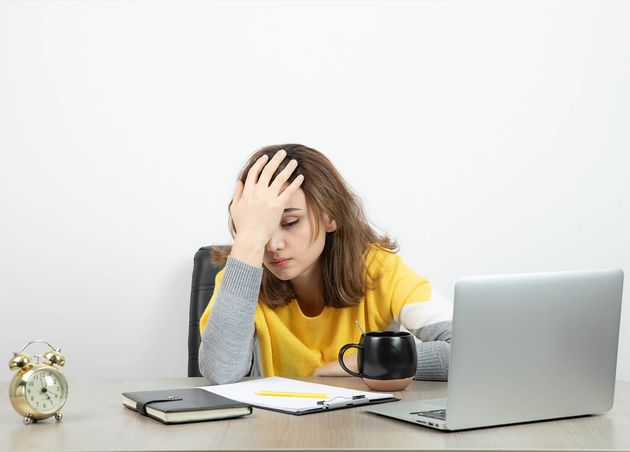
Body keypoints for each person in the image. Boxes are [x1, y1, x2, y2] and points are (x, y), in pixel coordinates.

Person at [199, 144, 452, 384]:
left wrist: (362, 361)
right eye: (261, 228)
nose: (272, 245)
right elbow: (220, 372)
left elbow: (474, 348)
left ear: (329, 216)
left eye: (290, 223)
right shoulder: (240, 277)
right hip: (275, 427)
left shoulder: (379, 269)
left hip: (361, 425)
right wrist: (248, 241)